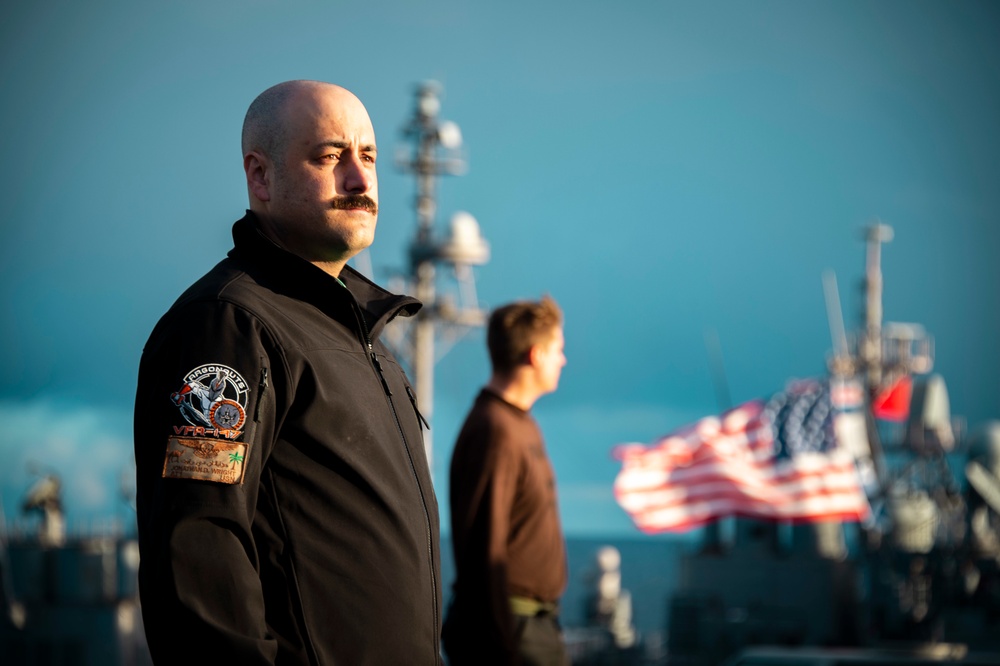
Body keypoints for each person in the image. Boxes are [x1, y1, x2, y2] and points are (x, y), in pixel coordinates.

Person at [133, 80, 442, 665]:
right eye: (330, 157)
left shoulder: (361, 334)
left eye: (368, 156)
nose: (359, 179)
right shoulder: (229, 327)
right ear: (260, 177)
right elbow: (199, 552)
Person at [442, 295, 570, 666]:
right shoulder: (495, 431)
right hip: (512, 632)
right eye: (558, 349)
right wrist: (503, 648)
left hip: (532, 628)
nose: (563, 359)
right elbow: (485, 550)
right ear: (535, 355)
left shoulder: (519, 424)